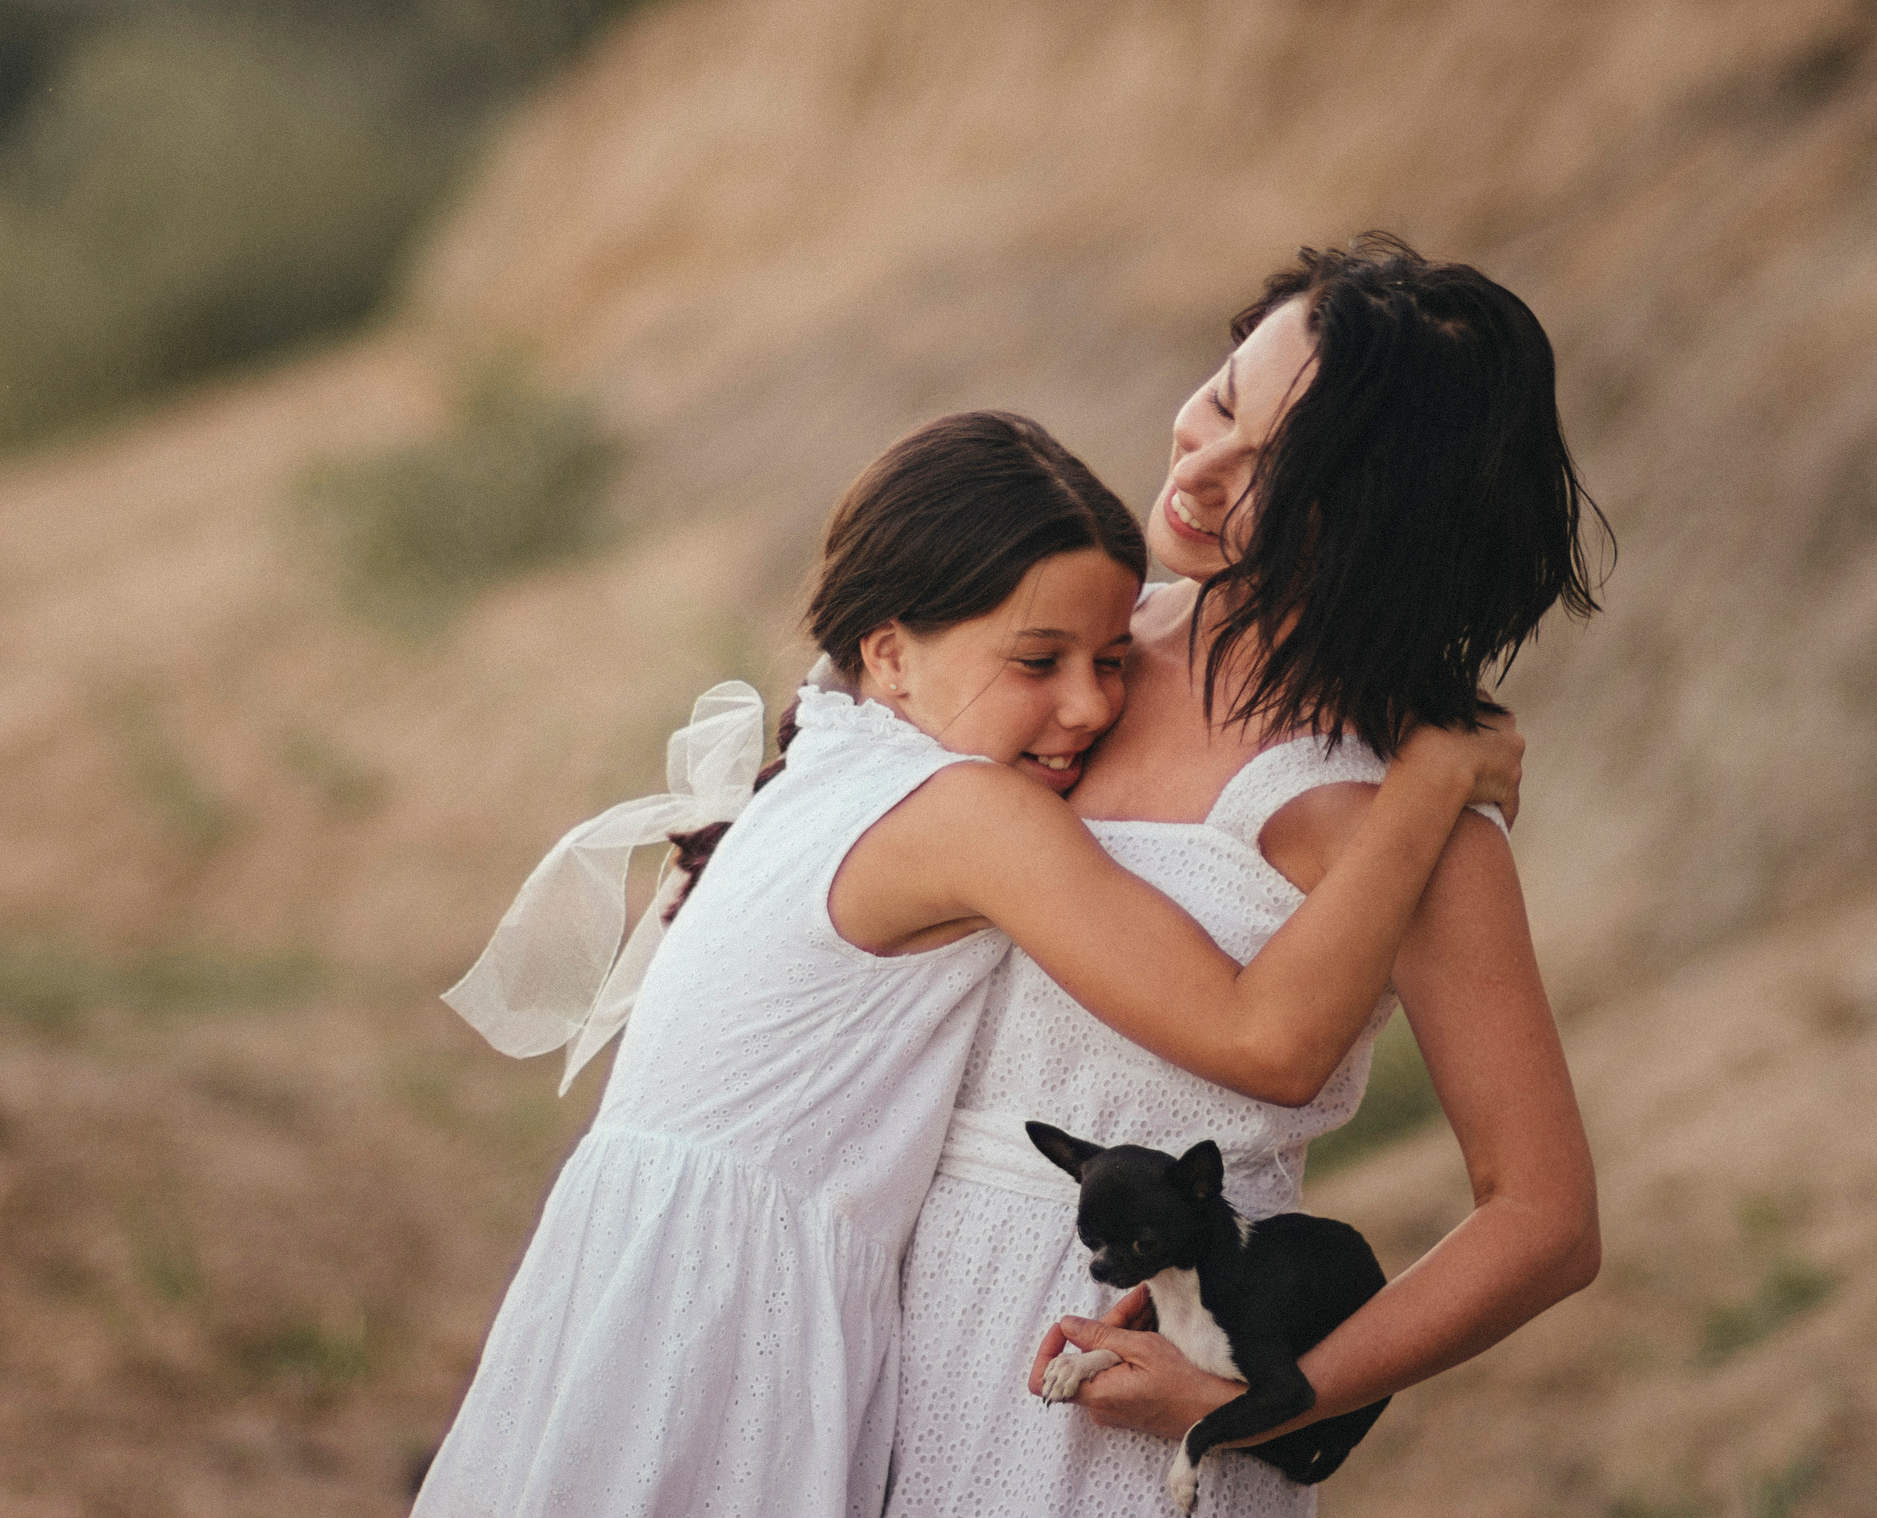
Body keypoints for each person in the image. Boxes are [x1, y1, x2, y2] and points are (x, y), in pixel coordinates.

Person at [412, 410, 1522, 1518]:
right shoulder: (970, 813)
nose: (1088, 704)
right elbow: (1262, 1038)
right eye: (1040, 661)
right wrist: (1427, 784)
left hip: (624, 1279)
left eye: (1110, 659)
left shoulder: (831, 757)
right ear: (889, 650)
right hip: (736, 1306)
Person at [886, 237, 1608, 1517]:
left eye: (1279, 472)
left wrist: (1268, 1397)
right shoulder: (1058, 653)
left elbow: (1542, 1215)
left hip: (1117, 1393)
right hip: (880, 1315)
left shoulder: (1397, 806)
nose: (1200, 472)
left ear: (1389, 523)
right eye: (1222, 399)